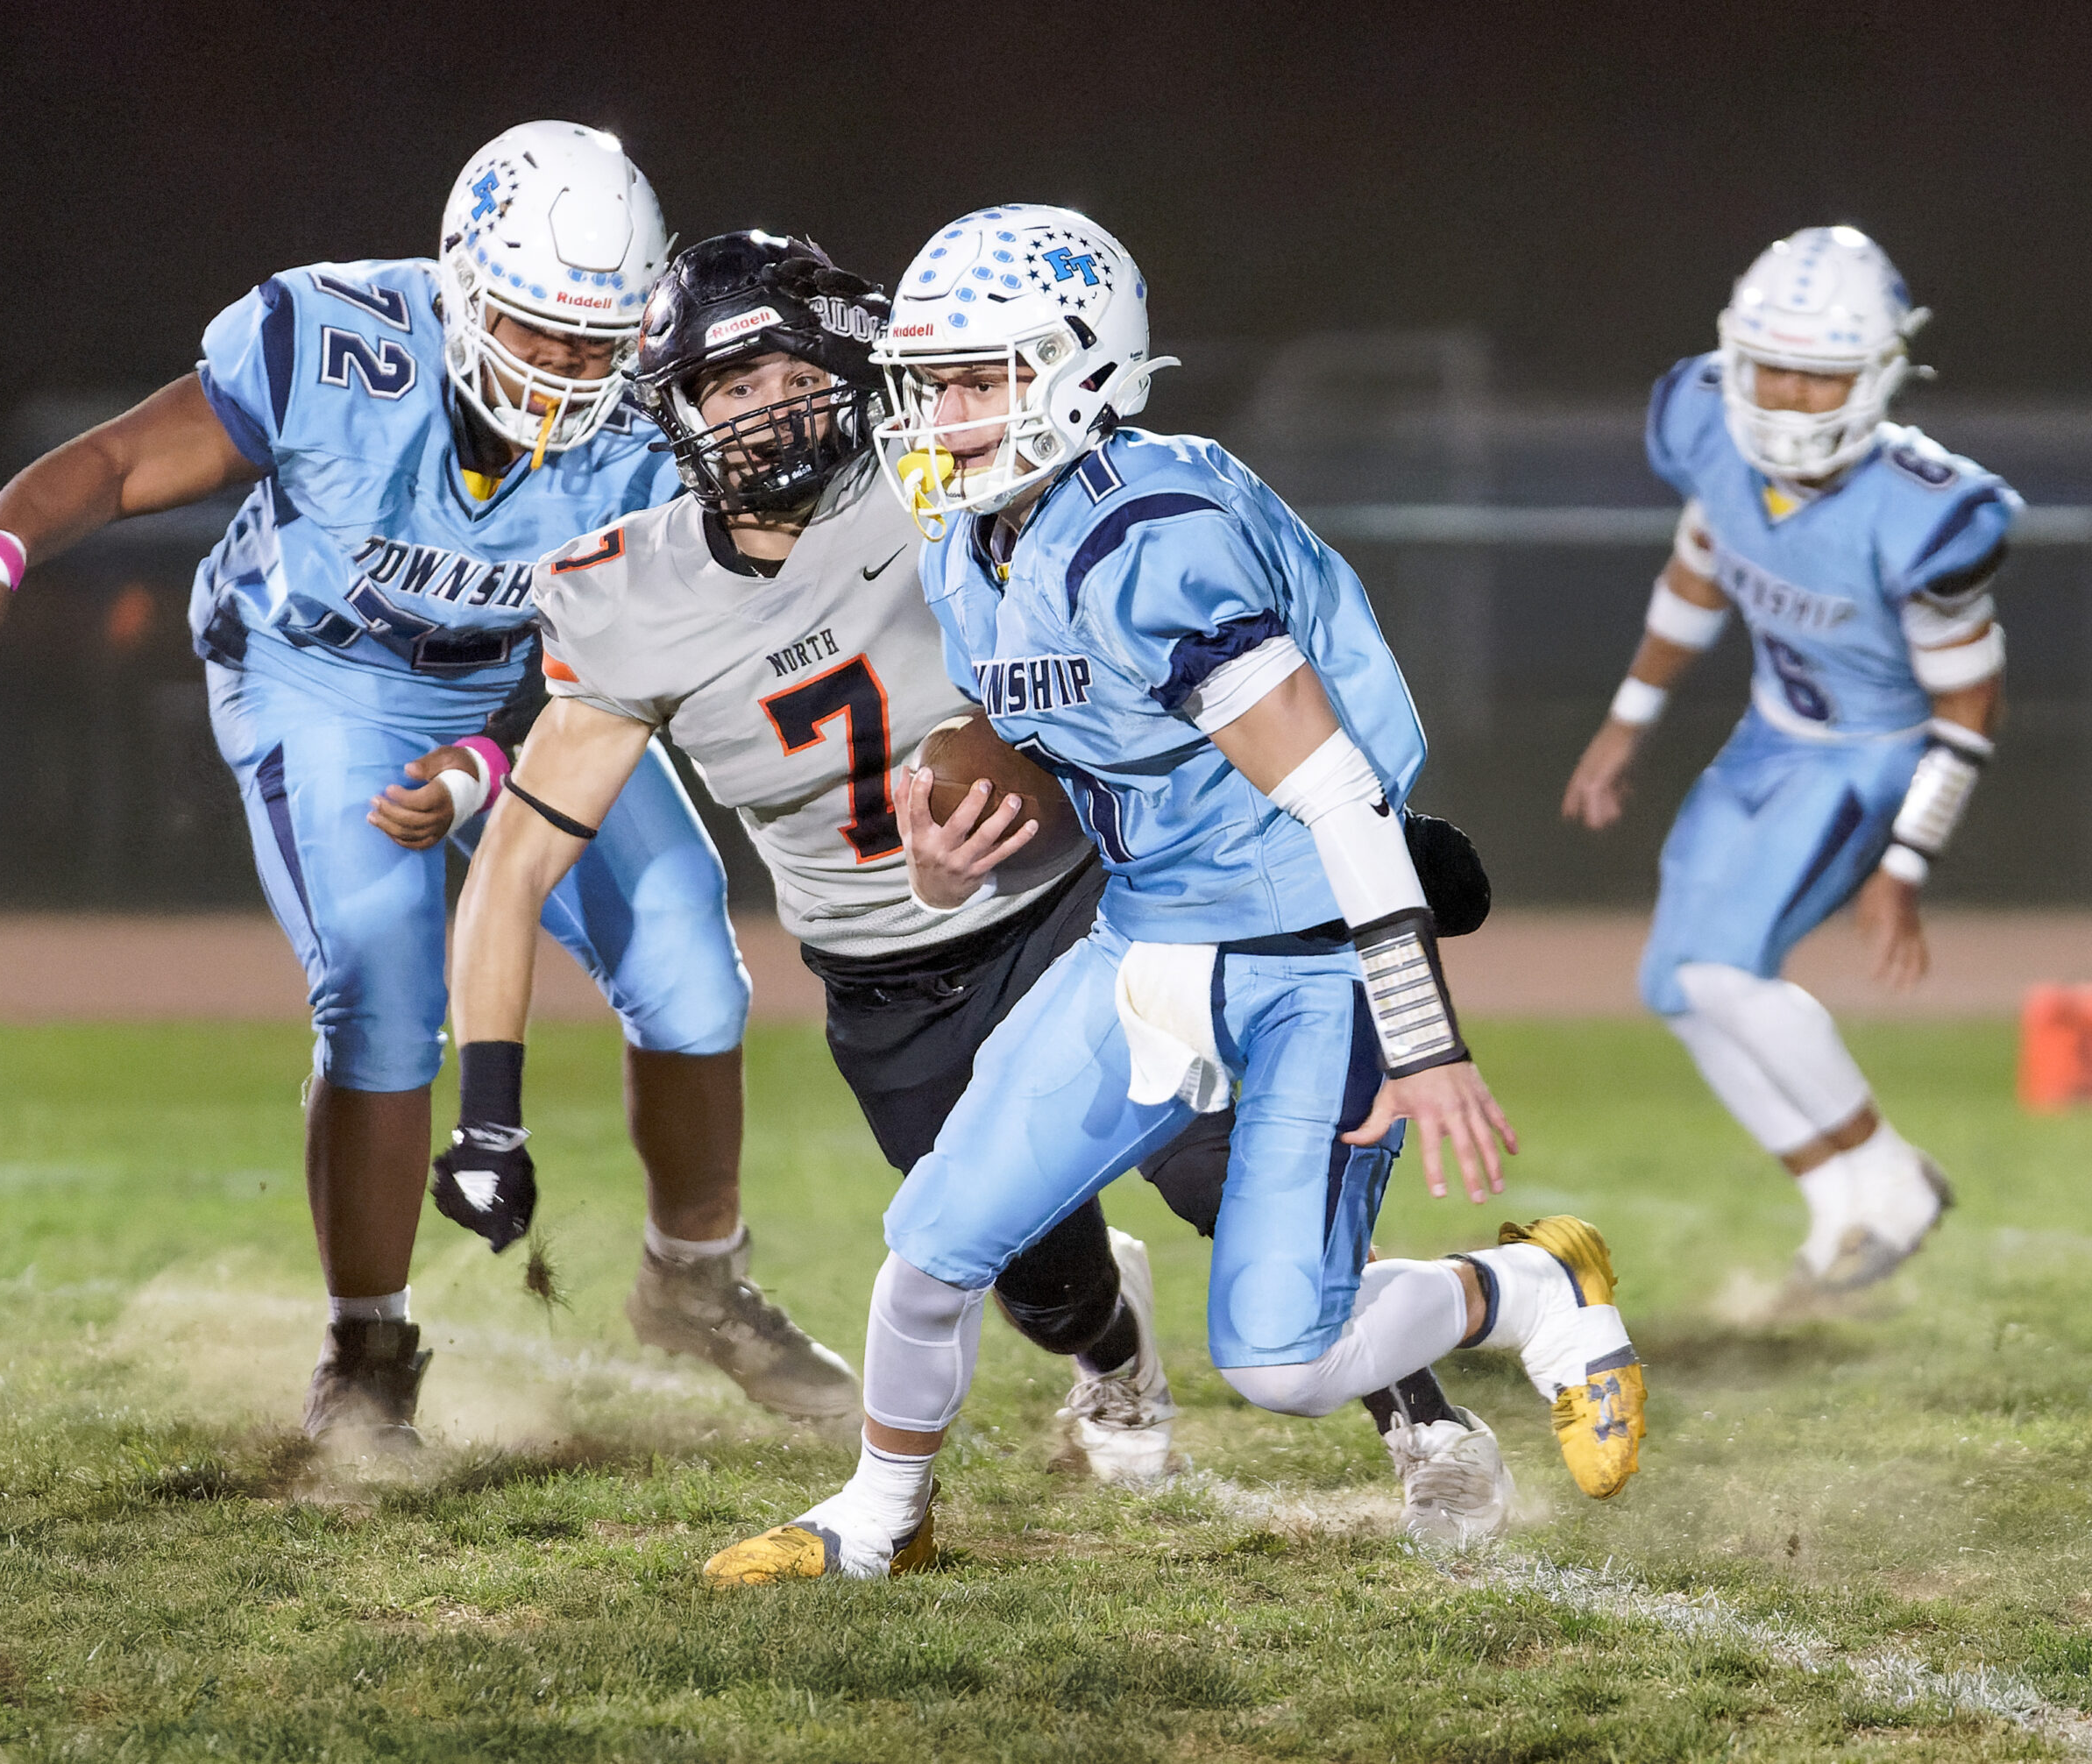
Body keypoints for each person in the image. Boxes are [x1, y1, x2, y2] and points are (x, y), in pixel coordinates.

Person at [438, 230, 1507, 1524]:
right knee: (1026, 1273)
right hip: (891, 975)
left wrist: (1343, 832)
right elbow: (517, 864)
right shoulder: (631, 594)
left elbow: (1173, 651)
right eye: (728, 389)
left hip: (1082, 906)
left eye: (788, 373)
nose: (766, 411)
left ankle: (1424, 1418)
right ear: (672, 409)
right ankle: (1113, 1368)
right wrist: (486, 1108)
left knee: (1240, 1173)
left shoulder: (963, 472)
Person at [702, 205, 1649, 1583]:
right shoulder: (976, 549)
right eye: (932, 381)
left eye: (980, 379)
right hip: (1148, 941)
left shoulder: (1160, 528)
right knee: (933, 1241)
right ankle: (880, 1516)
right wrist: (937, 844)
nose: (945, 414)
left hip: (1314, 957)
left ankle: (1534, 1290)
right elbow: (1048, 744)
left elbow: (1337, 797)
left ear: (1080, 368)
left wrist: (1428, 1038)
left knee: (1284, 1359)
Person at [0, 124, 854, 1447]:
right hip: (324, 677)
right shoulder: (333, 343)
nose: (571, 372)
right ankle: (366, 1350)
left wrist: (484, 765)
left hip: (539, 689)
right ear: (462, 288)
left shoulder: (657, 408)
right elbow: (124, 461)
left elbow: (643, 645)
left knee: (692, 949)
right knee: (383, 988)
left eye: (597, 341)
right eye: (536, 331)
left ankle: (697, 1279)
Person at [1563, 226, 2017, 1291]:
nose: (1784, 398)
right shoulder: (1705, 431)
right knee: (1674, 984)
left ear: (1877, 375)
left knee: (1724, 971)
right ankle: (1838, 1206)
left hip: (1873, 755)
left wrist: (1906, 864)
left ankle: (1889, 1175)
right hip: (1770, 735)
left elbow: (1970, 701)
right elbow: (1700, 566)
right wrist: (1629, 719)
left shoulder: (1924, 510)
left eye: (1819, 379)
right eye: (1768, 367)